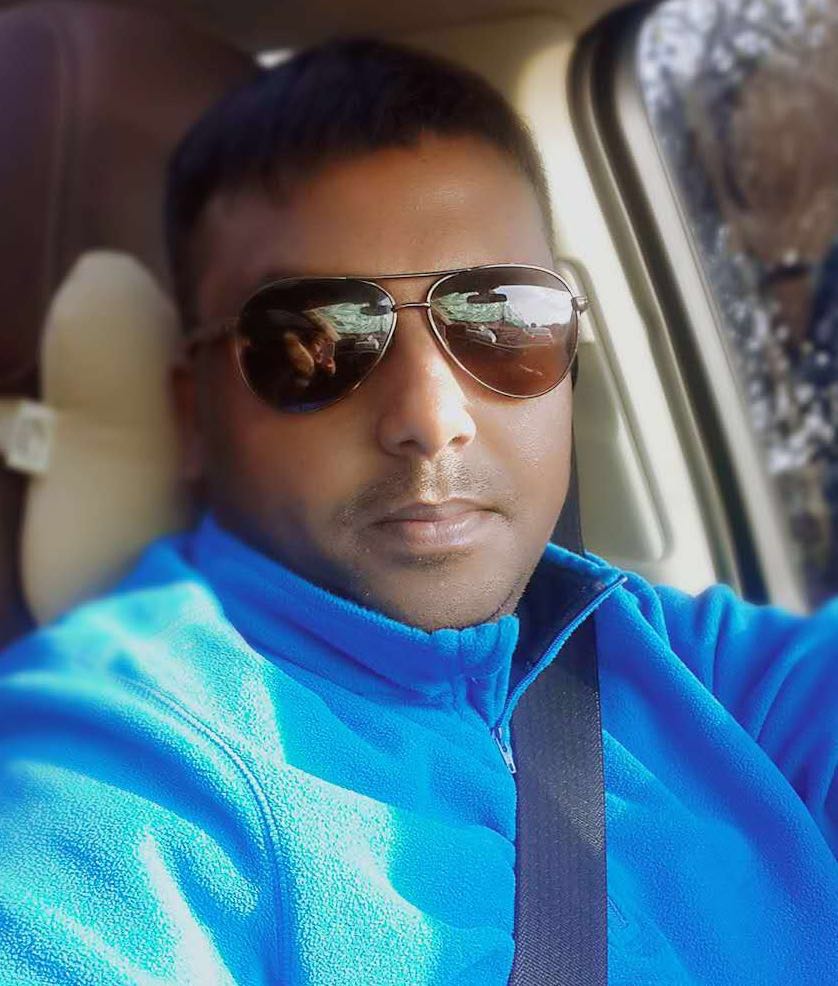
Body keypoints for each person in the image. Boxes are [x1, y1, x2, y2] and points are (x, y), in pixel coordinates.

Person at [0, 38, 835, 986]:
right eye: (316, 339)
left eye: (503, 319)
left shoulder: (706, 670)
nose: (432, 421)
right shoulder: (126, 759)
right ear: (195, 414)